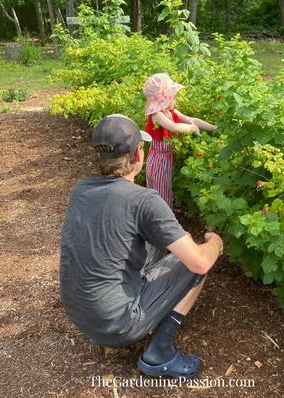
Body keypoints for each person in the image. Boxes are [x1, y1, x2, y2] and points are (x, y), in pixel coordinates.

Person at [59, 114, 223, 379]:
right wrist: (214, 243)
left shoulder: (80, 190)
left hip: (81, 315)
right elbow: (199, 262)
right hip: (115, 324)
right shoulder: (144, 200)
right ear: (138, 155)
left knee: (162, 244)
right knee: (197, 260)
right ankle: (160, 353)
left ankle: (142, 301)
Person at [143, 73, 217, 208]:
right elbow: (174, 127)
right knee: (161, 196)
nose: (175, 100)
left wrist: (213, 128)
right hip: (158, 161)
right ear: (163, 99)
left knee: (163, 192)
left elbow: (191, 120)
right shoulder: (157, 115)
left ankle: (157, 222)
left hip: (167, 160)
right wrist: (192, 129)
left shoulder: (171, 112)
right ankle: (161, 223)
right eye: (173, 97)